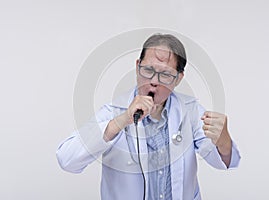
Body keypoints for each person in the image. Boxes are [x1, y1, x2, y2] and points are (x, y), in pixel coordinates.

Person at [56, 33, 240, 200]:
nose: (154, 81)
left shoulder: (190, 111)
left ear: (178, 78)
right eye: (148, 70)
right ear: (137, 67)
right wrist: (122, 121)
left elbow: (225, 162)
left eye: (166, 74)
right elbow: (67, 160)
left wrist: (223, 140)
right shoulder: (114, 112)